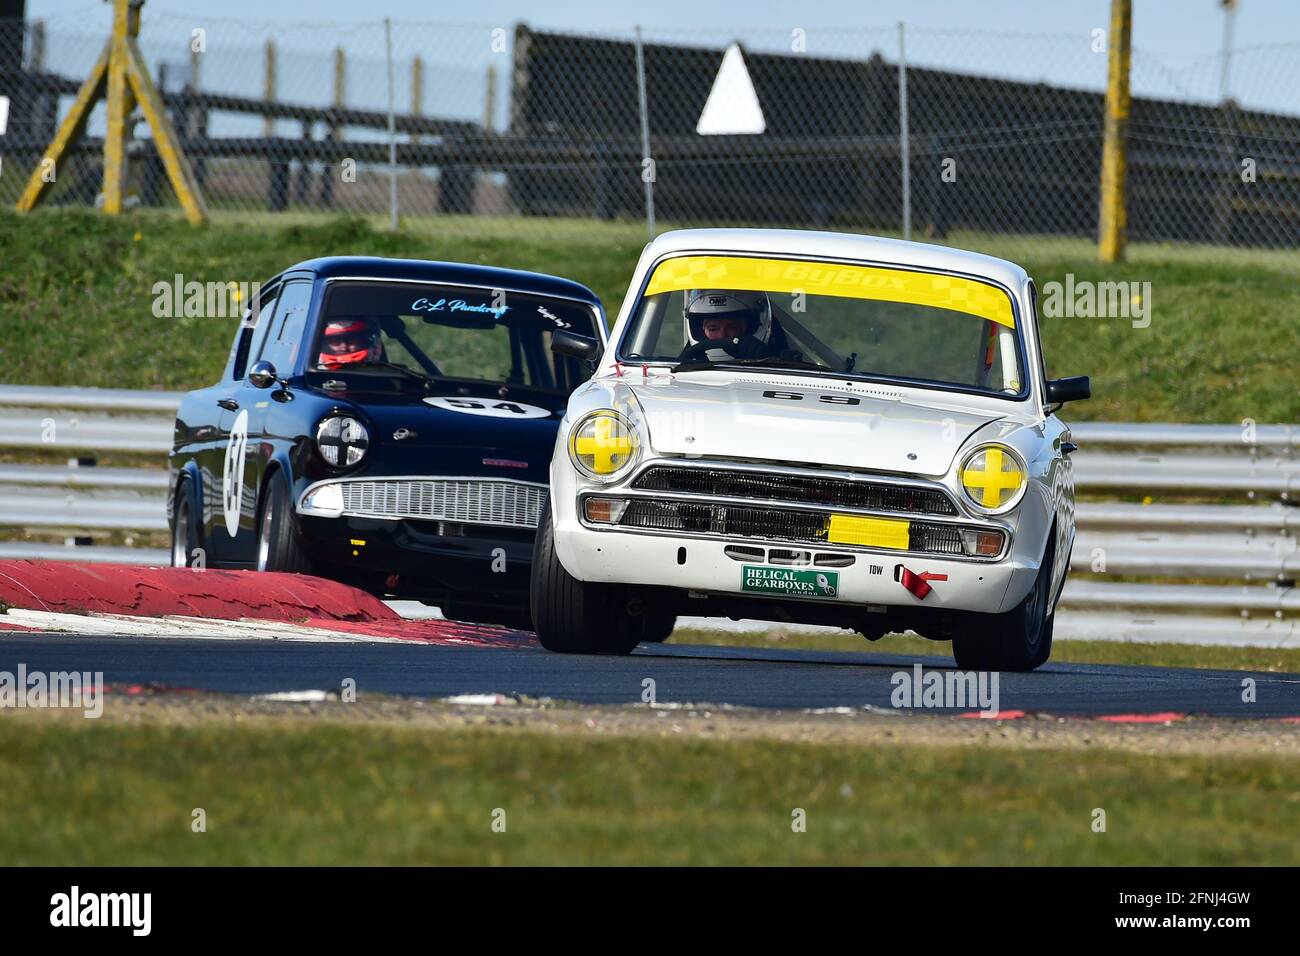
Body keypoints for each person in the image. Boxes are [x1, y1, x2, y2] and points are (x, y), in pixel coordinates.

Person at [676, 289, 787, 363]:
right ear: (700, 330)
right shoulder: (680, 370)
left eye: (732, 327)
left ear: (753, 326)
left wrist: (766, 361)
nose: (722, 335)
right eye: (713, 328)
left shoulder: (784, 370)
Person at [317, 317, 385, 369]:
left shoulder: (380, 375)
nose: (343, 347)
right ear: (325, 343)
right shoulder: (314, 375)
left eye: (351, 339)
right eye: (336, 340)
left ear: (362, 340)